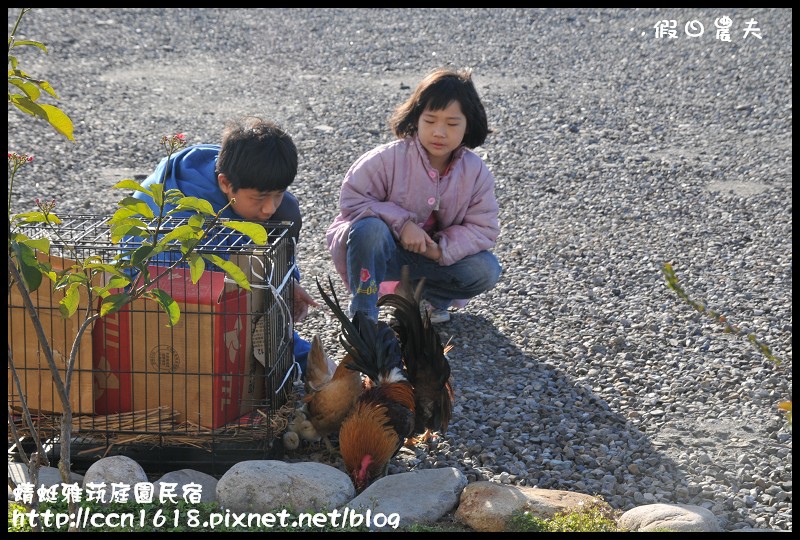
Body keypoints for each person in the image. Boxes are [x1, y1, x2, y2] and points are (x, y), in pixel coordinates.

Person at [133, 116, 318, 372]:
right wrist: (301, 355)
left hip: (208, 277)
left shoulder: (234, 165)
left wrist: (288, 282)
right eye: (260, 198)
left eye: (277, 193)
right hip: (154, 301)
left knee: (288, 210)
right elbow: (228, 303)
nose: (269, 207)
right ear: (224, 183)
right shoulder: (189, 225)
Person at [326, 67, 502, 324]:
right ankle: (364, 317)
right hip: (382, 256)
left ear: (469, 125)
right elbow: (353, 202)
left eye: (452, 124)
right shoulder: (386, 159)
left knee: (486, 269)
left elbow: (483, 229)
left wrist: (440, 250)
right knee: (370, 230)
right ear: (416, 118)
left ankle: (424, 301)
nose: (439, 132)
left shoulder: (475, 172)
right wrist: (402, 224)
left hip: (432, 260)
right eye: (430, 121)